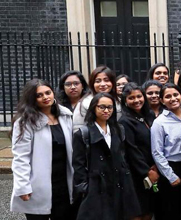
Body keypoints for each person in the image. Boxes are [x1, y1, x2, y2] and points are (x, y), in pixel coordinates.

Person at [10, 79, 77, 219]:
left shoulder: (65, 115)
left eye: (48, 93)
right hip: (38, 184)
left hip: (64, 183)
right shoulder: (24, 122)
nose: (45, 97)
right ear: (32, 99)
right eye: (39, 95)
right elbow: (21, 157)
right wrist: (22, 186)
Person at [73, 93, 140, 219]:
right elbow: (78, 165)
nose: (106, 111)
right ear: (94, 108)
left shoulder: (118, 130)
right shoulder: (83, 133)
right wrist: (84, 188)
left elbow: (122, 156)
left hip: (119, 183)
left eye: (110, 107)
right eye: (102, 107)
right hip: (96, 186)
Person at [151, 83, 181, 220]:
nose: (173, 98)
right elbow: (157, 152)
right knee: (172, 210)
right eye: (167, 96)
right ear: (162, 100)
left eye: (176, 94)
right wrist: (171, 176)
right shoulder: (159, 122)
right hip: (171, 167)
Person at [119, 83, 159, 220]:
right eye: (131, 98)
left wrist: (156, 166)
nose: (136, 100)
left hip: (155, 169)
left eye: (139, 96)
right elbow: (131, 150)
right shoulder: (125, 121)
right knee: (137, 213)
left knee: (149, 211)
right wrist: (147, 171)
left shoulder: (150, 115)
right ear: (125, 101)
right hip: (136, 175)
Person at [73, 66, 117, 131]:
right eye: (98, 81)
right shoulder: (84, 103)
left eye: (106, 80)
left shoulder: (119, 102)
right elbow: (77, 128)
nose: (102, 84)